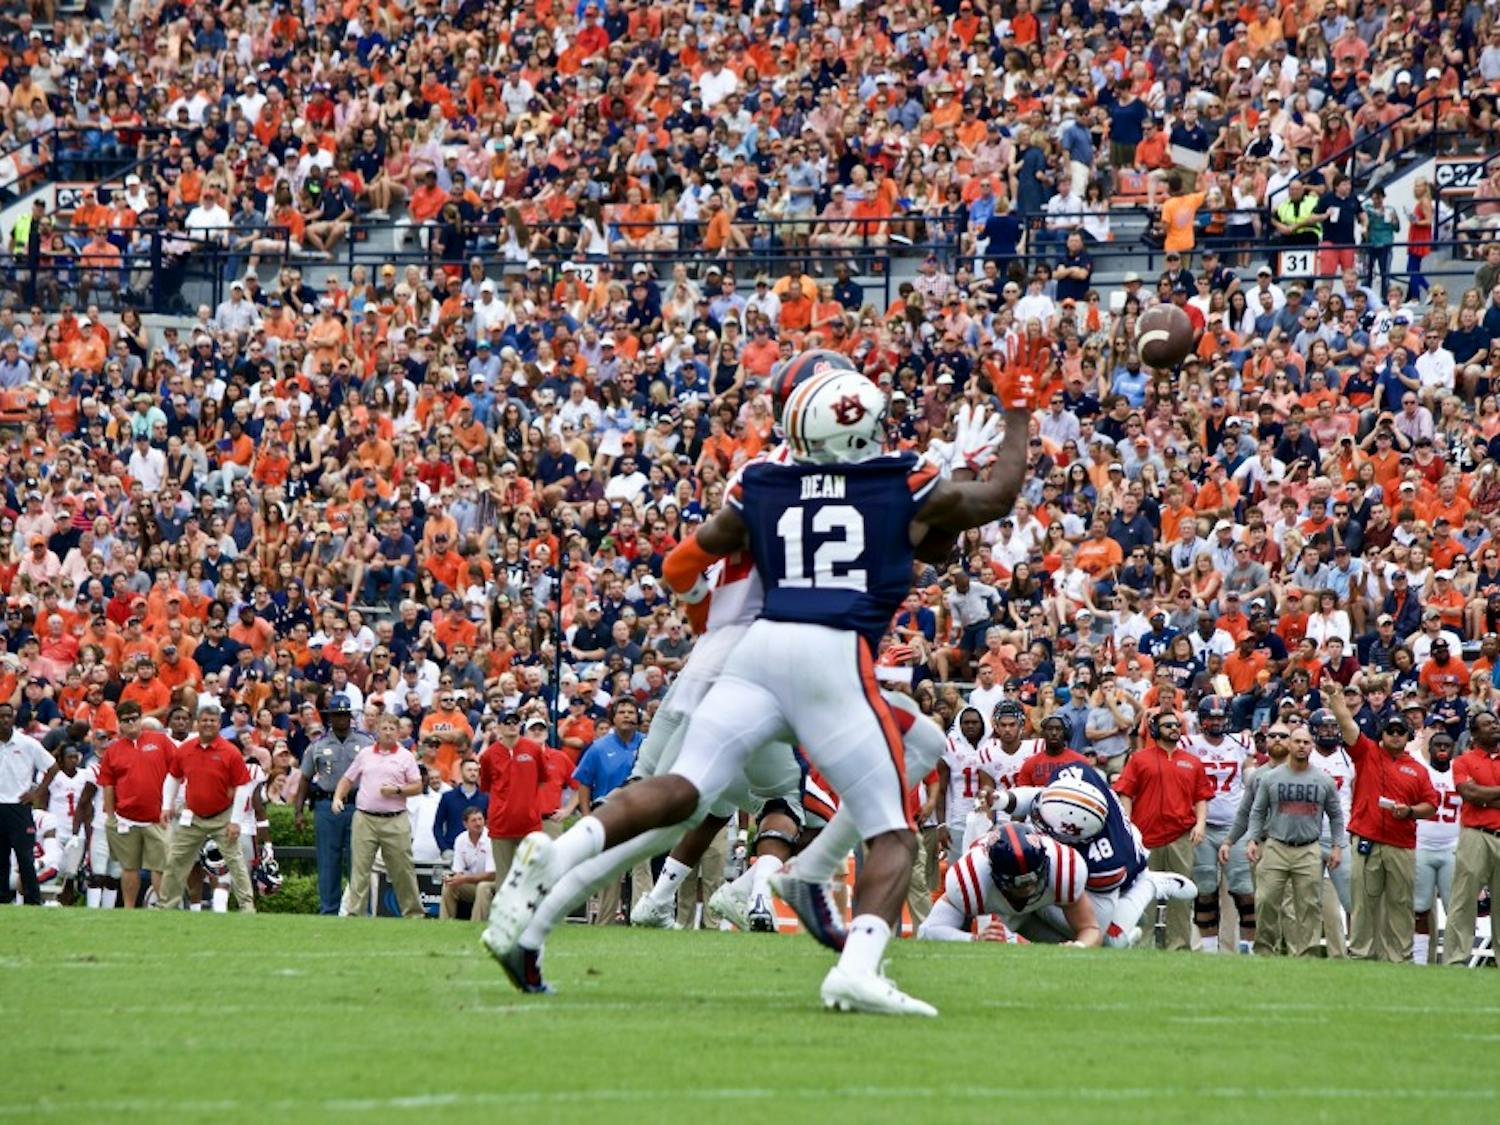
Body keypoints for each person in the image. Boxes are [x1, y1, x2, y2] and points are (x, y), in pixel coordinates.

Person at [485, 372, 1030, 1016]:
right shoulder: (896, 477)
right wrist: (1010, 415)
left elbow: (697, 553)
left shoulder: (761, 481)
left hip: (756, 650)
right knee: (893, 830)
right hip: (825, 655)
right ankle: (847, 945)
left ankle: (563, 854)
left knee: (685, 792)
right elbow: (986, 502)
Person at [1324, 683, 1438, 962]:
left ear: (1408, 735)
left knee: (1400, 902)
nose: (1396, 736)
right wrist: (1335, 697)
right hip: (1367, 838)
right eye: (1391, 731)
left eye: (1401, 731)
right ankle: (1362, 953)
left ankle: (1399, 956)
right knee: (1363, 901)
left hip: (1401, 843)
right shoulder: (1366, 753)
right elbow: (1347, 723)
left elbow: (1431, 805)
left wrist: (1409, 811)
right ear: (1382, 734)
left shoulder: (1419, 770)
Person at [1244, 724, 1345, 957]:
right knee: (1266, 900)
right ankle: (1264, 950)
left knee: (1309, 904)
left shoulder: (1323, 780)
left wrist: (1337, 846)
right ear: (1289, 744)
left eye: (1306, 742)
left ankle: (1307, 952)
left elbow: (1336, 816)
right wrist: (1253, 839)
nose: (1301, 746)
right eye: (1297, 741)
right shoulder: (1271, 778)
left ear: (1312, 746)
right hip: (1276, 845)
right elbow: (1258, 811)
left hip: (1309, 847)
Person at [1114, 712, 1212, 950]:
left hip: (1181, 836)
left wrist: (1200, 824)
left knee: (1182, 893)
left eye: (1177, 725)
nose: (1174, 729)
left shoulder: (1193, 762)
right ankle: (1142, 944)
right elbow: (1126, 792)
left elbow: (1201, 797)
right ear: (1155, 730)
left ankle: (1178, 945)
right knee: (1143, 895)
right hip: (1146, 836)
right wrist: (1129, 826)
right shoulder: (1139, 759)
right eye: (1168, 725)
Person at [918, 825, 1100, 946]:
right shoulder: (971, 879)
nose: (1028, 889)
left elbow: (1090, 929)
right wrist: (975, 940)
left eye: (1032, 881)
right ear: (993, 874)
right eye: (1018, 885)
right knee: (996, 943)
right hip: (999, 914)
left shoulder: (1063, 869)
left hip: (1045, 909)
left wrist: (1078, 948)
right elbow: (928, 931)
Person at [158, 703, 256, 912]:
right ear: (197, 723)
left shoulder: (230, 752)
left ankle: (247, 907)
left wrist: (235, 821)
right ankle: (166, 905)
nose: (208, 724)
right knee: (176, 859)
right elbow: (173, 777)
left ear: (219, 724)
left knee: (235, 861)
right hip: (192, 815)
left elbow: (243, 786)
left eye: (212, 721)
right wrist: (166, 806)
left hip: (222, 816)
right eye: (204, 720)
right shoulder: (185, 749)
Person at [333, 712, 424, 918]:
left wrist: (398, 790)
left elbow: (417, 786)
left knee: (403, 869)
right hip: (365, 818)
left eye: (393, 728)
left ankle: (414, 914)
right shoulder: (365, 754)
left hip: (395, 819)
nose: (389, 732)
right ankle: (355, 913)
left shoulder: (406, 756)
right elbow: (347, 779)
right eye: (385, 728)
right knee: (360, 868)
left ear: (398, 732)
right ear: (377, 731)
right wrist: (338, 797)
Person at [1185, 695, 1256, 954]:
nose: (1216, 722)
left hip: (1234, 827)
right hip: (1202, 825)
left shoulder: (1240, 743)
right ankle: (1208, 949)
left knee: (1244, 891)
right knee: (1205, 890)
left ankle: (1247, 946)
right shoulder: (1189, 743)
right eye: (1211, 717)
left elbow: (1251, 779)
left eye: (1219, 717)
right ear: (1201, 720)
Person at [293, 696, 373, 914]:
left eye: (345, 714)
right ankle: (328, 910)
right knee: (328, 862)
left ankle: (358, 910)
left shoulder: (366, 743)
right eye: (337, 715)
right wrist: (298, 811)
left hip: (357, 806)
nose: (341, 719)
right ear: (330, 717)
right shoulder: (317, 746)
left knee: (359, 861)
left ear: (350, 716)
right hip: (326, 806)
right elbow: (304, 779)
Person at [95, 701, 174, 909]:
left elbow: (177, 773)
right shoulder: (113, 751)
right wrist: (111, 816)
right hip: (125, 818)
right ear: (119, 723)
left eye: (134, 718)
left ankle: (164, 907)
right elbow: (108, 785)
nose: (131, 723)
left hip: (157, 817)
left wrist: (172, 804)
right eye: (125, 720)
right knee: (129, 868)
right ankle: (129, 909)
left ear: (141, 719)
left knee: (160, 866)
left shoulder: (161, 741)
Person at [1444, 710, 1500, 965]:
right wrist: (1485, 796)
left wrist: (1485, 797)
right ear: (1474, 733)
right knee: (1464, 900)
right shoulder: (1463, 761)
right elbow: (1469, 793)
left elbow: (1479, 793)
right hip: (1475, 835)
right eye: (1487, 724)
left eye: (1495, 722)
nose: (1494, 726)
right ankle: (1456, 959)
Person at [477, 712, 551, 888]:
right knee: (503, 879)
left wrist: (529, 803)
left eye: (516, 722)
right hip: (500, 824)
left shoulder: (533, 750)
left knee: (532, 875)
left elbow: (542, 779)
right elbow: (486, 786)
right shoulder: (488, 755)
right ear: (500, 727)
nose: (512, 725)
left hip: (529, 823)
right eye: (507, 722)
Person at [0, 702, 56, 906]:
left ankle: (33, 901)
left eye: (8, 716)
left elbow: (52, 767)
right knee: (0, 858)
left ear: (13, 718)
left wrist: (37, 793)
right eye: (1, 716)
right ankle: (3, 901)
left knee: (25, 857)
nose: (5, 720)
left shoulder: (26, 743)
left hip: (18, 806)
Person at [1413, 731, 1460, 965]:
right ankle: (1419, 959)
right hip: (1422, 845)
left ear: (1453, 749)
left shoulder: (1460, 773)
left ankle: (1454, 958)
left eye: (1446, 745)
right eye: (1437, 745)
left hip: (1451, 846)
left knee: (1455, 908)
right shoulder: (1421, 772)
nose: (1442, 749)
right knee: (1419, 907)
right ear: (1429, 749)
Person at [439, 807, 496, 921]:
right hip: (471, 883)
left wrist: (464, 879)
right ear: (465, 824)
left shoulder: (491, 838)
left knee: (482, 887)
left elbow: (491, 875)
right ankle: (444, 924)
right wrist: (452, 878)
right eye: (474, 820)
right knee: (449, 885)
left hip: (494, 883)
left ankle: (475, 924)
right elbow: (457, 871)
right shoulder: (460, 839)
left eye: (480, 819)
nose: (478, 823)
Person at [433, 758, 489, 856]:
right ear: (461, 772)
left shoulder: (485, 798)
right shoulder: (448, 797)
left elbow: (489, 825)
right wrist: (444, 848)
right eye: (469, 770)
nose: (473, 773)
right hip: (453, 849)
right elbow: (437, 825)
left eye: (476, 770)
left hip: (479, 851)